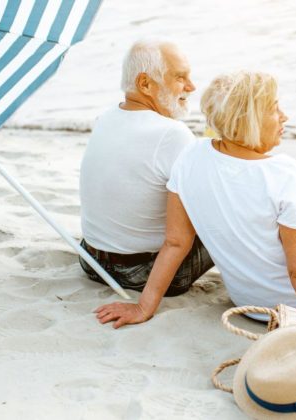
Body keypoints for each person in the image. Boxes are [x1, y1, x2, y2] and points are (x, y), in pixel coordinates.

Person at [95, 71, 296, 327]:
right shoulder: (284, 174)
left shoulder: (190, 157)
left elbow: (175, 243)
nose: (285, 116)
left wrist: (144, 306)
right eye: (274, 109)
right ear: (248, 121)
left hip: (250, 306)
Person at [78, 40, 213, 298]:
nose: (191, 87)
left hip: (91, 261)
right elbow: (205, 210)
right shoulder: (172, 134)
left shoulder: (106, 117)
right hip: (141, 273)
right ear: (145, 84)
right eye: (180, 77)